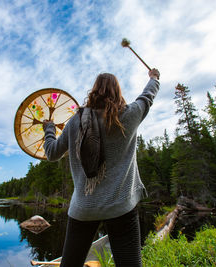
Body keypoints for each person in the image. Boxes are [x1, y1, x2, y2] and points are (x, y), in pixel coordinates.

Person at [42, 68, 160, 267]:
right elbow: (147, 96)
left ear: (94, 91)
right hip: (121, 207)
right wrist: (154, 78)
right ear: (117, 92)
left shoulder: (76, 122)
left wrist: (49, 130)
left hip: (83, 209)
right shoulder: (130, 116)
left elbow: (52, 153)